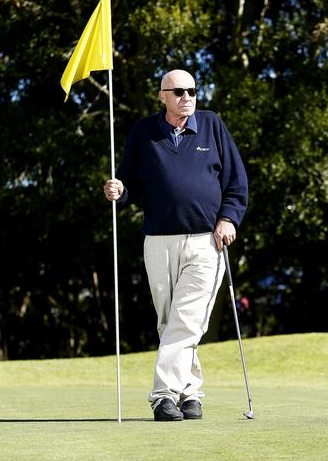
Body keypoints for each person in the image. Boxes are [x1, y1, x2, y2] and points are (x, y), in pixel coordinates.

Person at [104, 69, 248, 421]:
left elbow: (236, 181)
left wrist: (228, 218)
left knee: (186, 318)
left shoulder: (212, 125)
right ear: (162, 96)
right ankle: (190, 394)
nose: (187, 97)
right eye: (179, 91)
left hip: (206, 241)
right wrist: (117, 191)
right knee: (170, 321)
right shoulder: (144, 132)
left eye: (192, 90)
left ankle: (162, 394)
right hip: (158, 240)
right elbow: (128, 181)